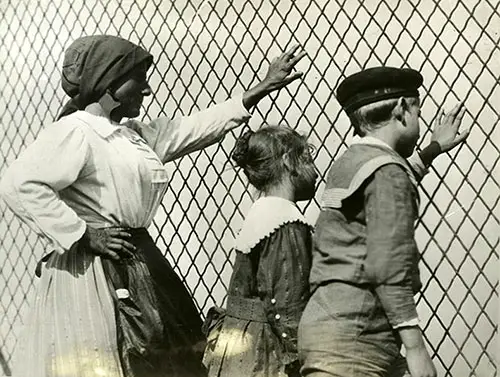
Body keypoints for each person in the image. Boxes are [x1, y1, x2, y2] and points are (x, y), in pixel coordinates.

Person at [0, 35, 306, 377]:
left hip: (136, 260)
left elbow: (193, 128)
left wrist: (261, 88)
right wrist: (83, 234)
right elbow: (19, 184)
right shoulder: (76, 132)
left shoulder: (131, 135)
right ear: (108, 83)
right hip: (94, 271)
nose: (146, 90)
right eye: (139, 80)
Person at [298, 67, 470, 377]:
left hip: (326, 328)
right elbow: (388, 267)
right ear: (404, 108)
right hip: (358, 338)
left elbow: (385, 184)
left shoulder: (351, 162)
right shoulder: (388, 174)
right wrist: (417, 350)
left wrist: (430, 150)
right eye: (418, 110)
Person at [202, 125, 318, 377]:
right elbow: (287, 306)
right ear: (289, 162)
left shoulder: (261, 211)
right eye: (308, 159)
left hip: (239, 345)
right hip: (264, 353)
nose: (316, 172)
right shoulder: (284, 220)